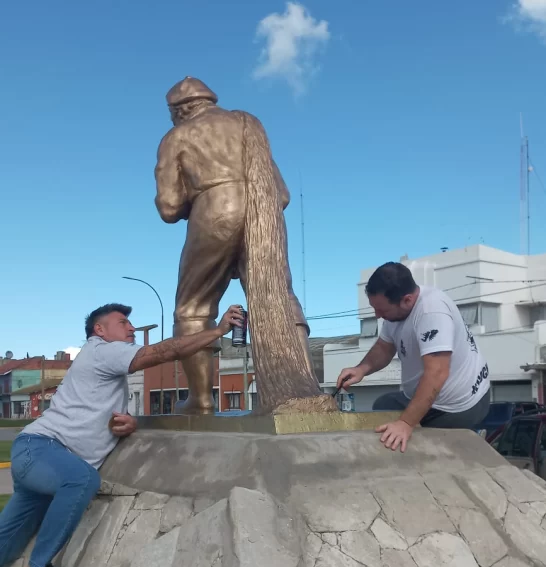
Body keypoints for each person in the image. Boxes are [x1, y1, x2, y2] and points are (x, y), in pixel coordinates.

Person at [0, 302, 244, 567]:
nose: (130, 327)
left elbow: (104, 417)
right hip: (41, 450)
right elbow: (162, 352)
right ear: (99, 330)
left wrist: (130, 423)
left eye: (130, 322)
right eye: (122, 322)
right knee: (81, 480)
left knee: (6, 546)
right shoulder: (101, 349)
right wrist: (218, 331)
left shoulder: (104, 366)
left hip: (37, 458)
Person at [154, 76, 314, 414]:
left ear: (180, 110)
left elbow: (168, 209)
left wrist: (201, 199)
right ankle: (303, 387)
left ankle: (200, 401)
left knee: (192, 307)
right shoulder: (247, 124)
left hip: (212, 212)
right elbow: (282, 195)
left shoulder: (176, 137)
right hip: (264, 208)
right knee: (279, 296)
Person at [337, 262, 490, 453]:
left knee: (416, 449)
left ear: (407, 300)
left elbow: (437, 373)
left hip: (459, 405)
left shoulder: (432, 311)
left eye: (382, 311)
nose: (377, 316)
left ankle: (470, 443)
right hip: (428, 396)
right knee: (383, 406)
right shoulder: (395, 313)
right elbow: (384, 347)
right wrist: (361, 369)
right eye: (375, 309)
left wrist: (406, 423)